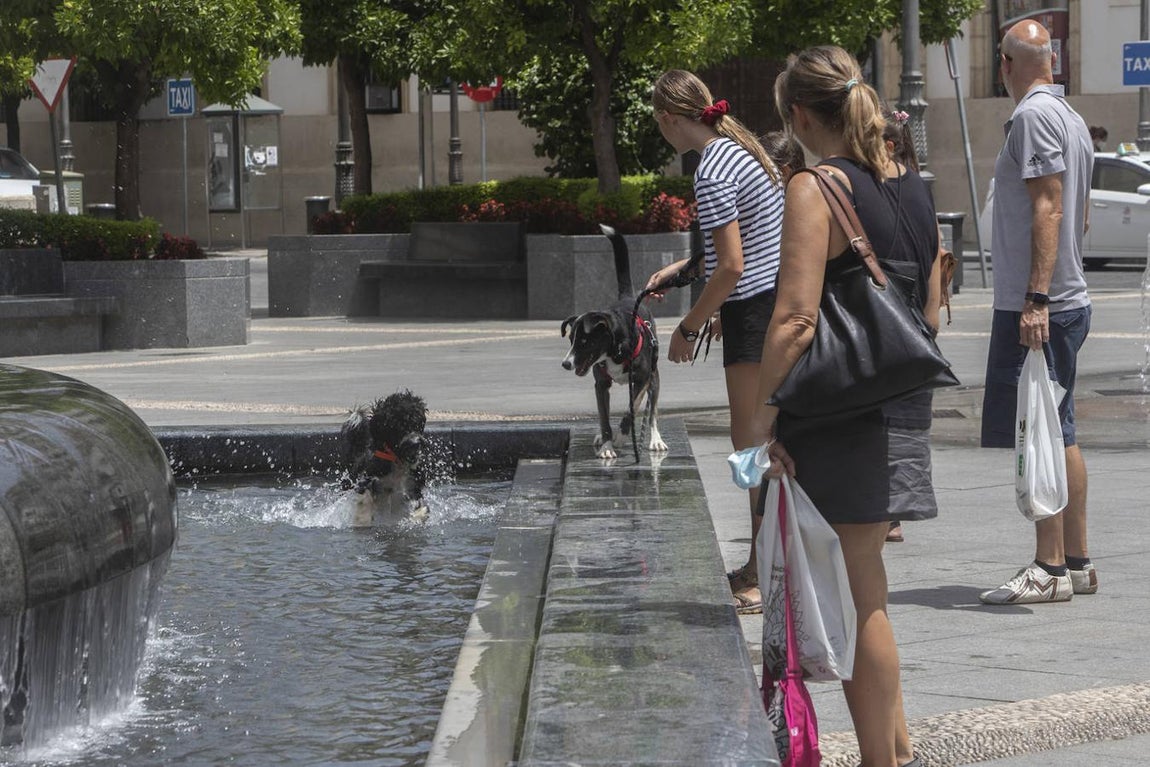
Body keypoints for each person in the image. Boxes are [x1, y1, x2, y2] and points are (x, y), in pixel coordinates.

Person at [758, 45, 943, 767]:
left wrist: (763, 417)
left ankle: (881, 760)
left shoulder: (816, 187)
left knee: (857, 592)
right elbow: (930, 308)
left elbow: (795, 320)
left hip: (840, 411)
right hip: (901, 393)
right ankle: (894, 745)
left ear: (801, 116)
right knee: (869, 582)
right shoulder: (911, 184)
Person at [646, 70, 785, 615]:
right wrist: (684, 269)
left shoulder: (710, 169)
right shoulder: (740, 149)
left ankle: (764, 574)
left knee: (753, 446)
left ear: (667, 119)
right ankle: (761, 563)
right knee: (761, 442)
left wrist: (688, 326)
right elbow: (749, 242)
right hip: (773, 303)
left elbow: (732, 266)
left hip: (754, 312)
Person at [978, 20, 1095, 605]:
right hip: (1064, 298)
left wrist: (1036, 298)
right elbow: (1079, 213)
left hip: (1043, 302)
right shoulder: (1071, 117)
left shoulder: (1033, 116)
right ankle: (1076, 563)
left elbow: (1049, 204)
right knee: (1060, 427)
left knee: (1040, 429)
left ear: (1006, 63)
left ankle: (1048, 566)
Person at [880, 107, 942, 545]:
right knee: (902, 417)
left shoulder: (883, 189)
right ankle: (894, 511)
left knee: (886, 416)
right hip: (916, 317)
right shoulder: (917, 186)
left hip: (893, 316)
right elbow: (936, 249)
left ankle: (887, 512)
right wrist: (932, 308)